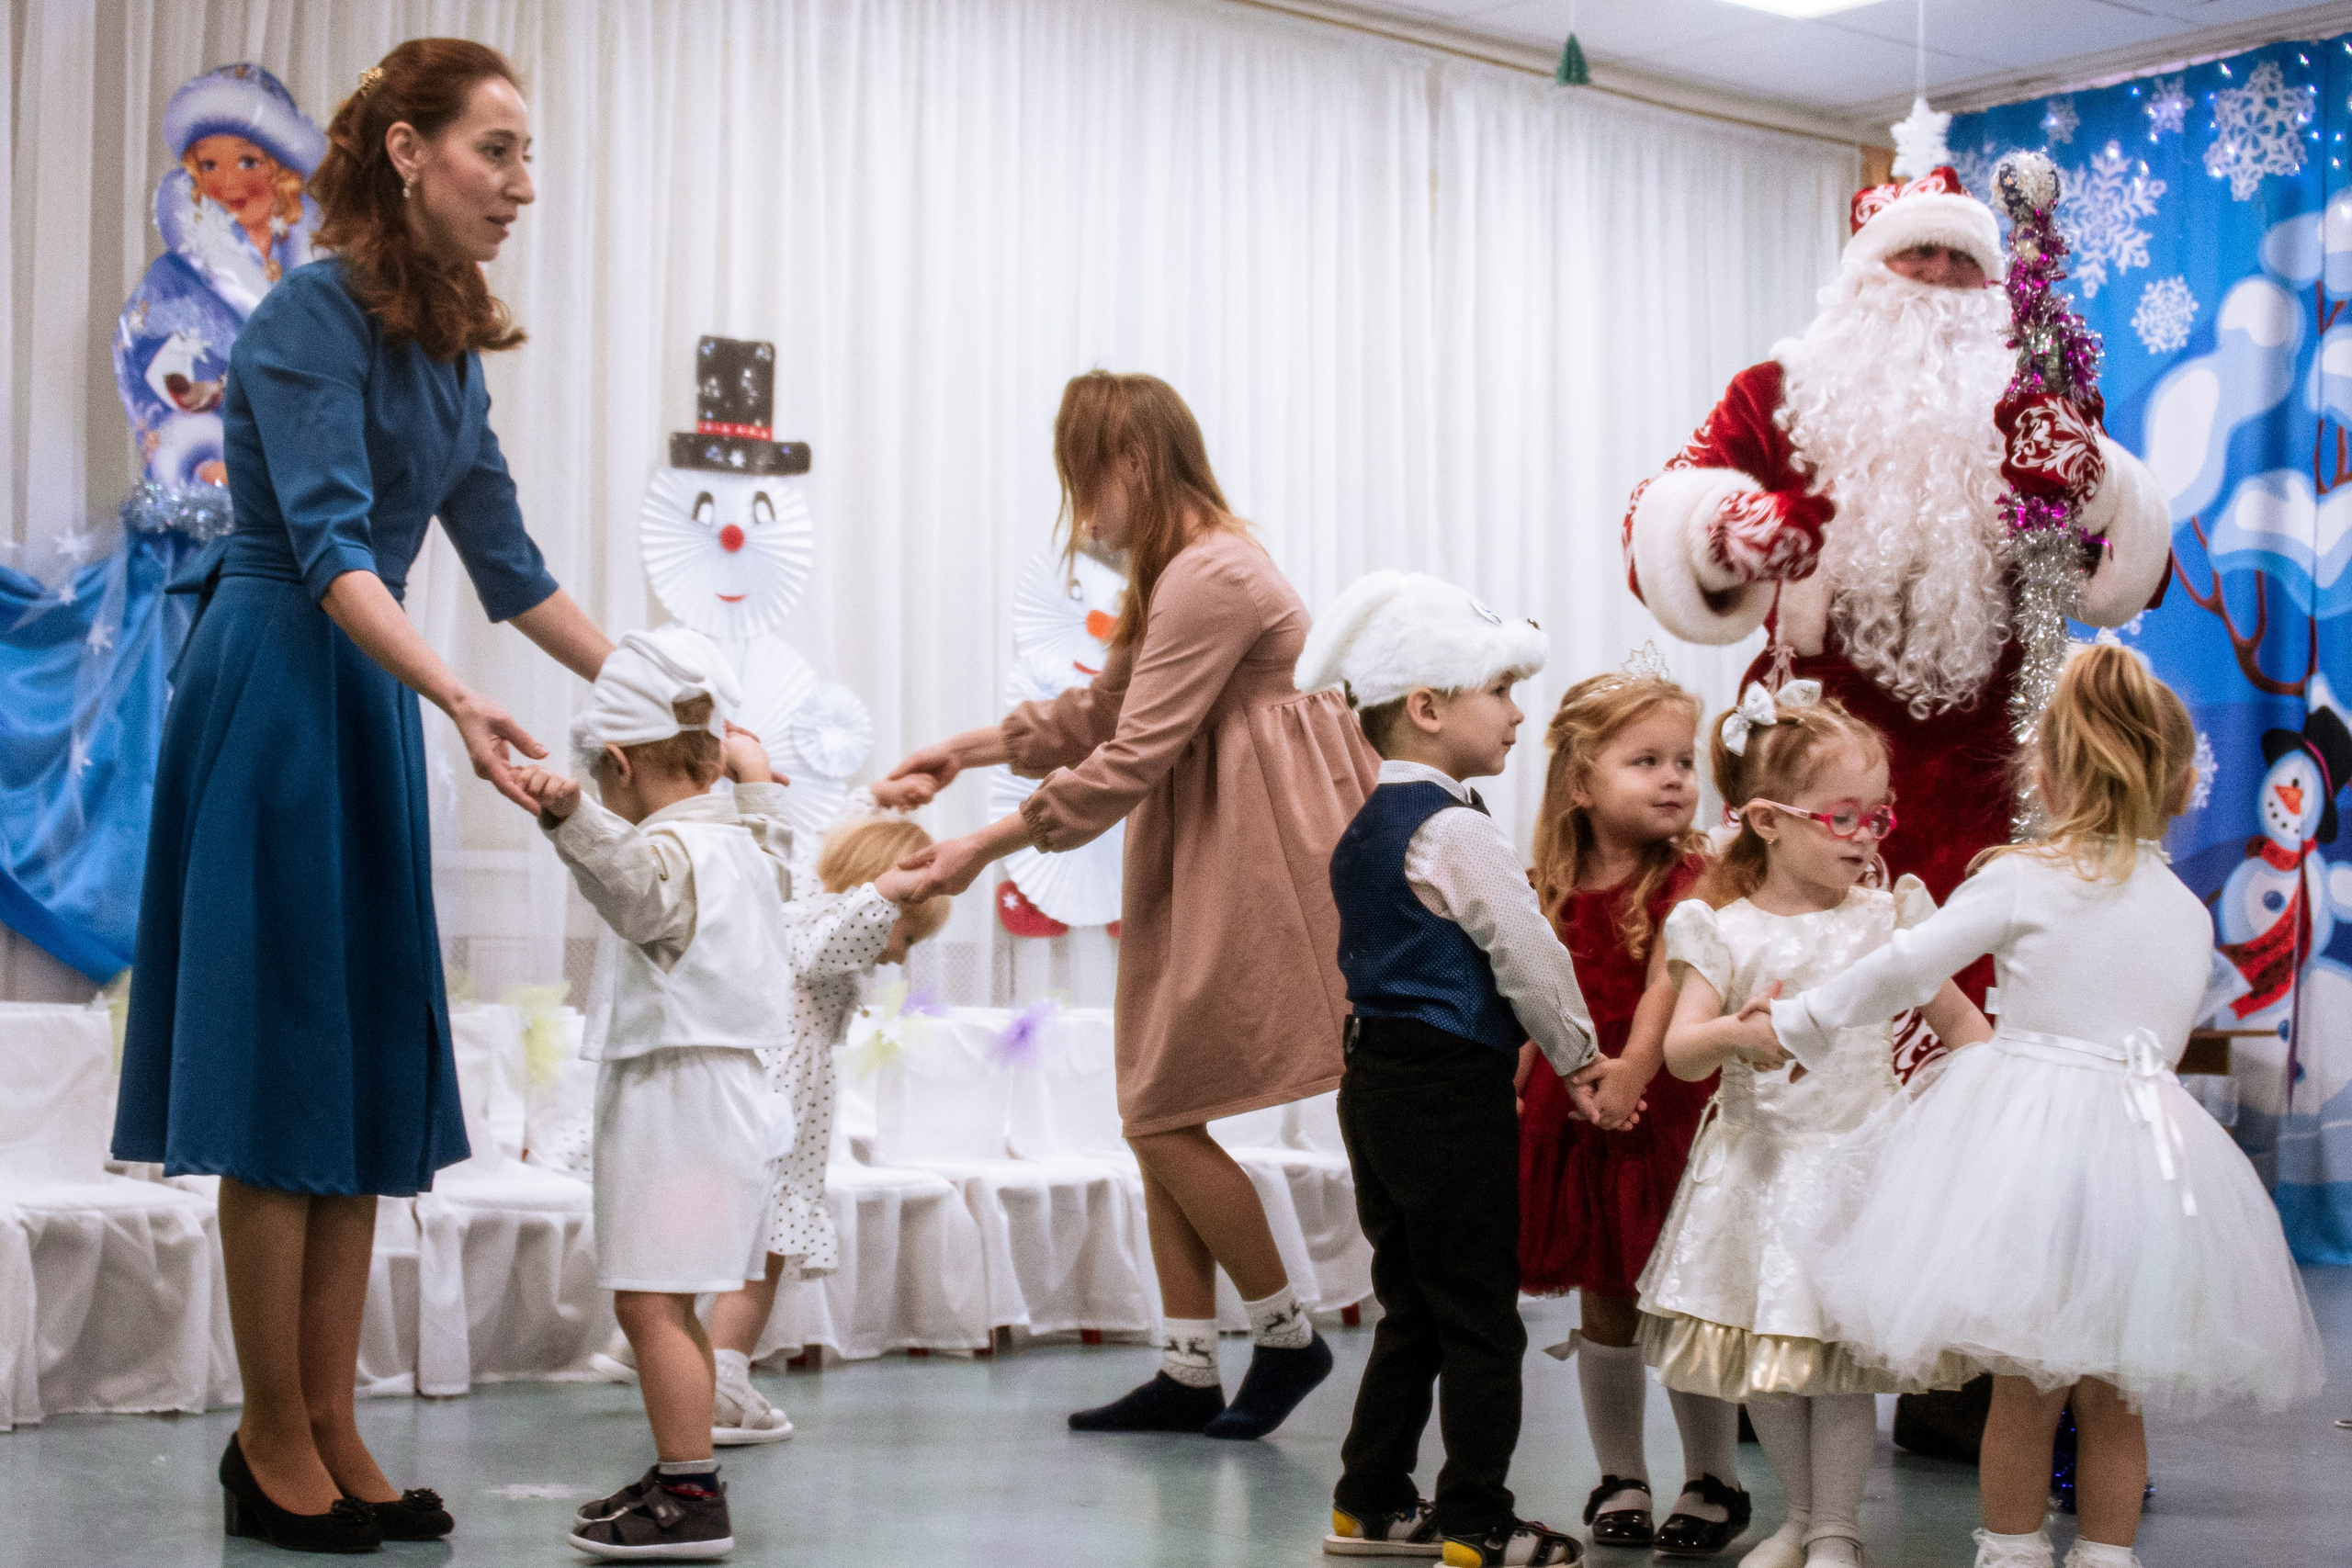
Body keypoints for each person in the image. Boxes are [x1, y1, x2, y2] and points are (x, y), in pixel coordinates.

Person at [110, 40, 612, 1556]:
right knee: (280, 1074)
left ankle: (328, 1419)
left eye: (527, 158)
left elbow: (512, 566)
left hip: (370, 695)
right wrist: (456, 695)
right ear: (407, 150)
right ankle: (269, 1434)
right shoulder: (307, 316)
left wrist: (676, 689)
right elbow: (330, 550)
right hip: (279, 684)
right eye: (497, 151)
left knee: (347, 1068)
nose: (523, 185)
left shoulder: (446, 348)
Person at [1734, 646, 2325, 1568]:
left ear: (2044, 777)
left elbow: (1906, 966)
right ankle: (2106, 1557)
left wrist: (1802, 1018)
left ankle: (2010, 1554)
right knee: (2114, 1396)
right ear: (2181, 787)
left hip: (2025, 1154)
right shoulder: (2185, 909)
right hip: (2143, 1157)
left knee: (2023, 1390)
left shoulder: (2020, 878)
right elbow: (2161, 1044)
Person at [886, 371, 1379, 1439]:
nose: (1081, 515)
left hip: (1255, 855)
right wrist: (962, 751)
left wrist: (977, 848)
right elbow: (1101, 709)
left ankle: (1285, 1336)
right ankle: (1188, 1366)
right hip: (1208, 848)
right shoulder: (1179, 574)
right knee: (1161, 1108)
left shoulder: (1214, 574)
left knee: (1158, 1111)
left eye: (1083, 481)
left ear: (1133, 462)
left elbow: (1130, 756)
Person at [1620, 159, 2169, 1060]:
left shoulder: (2041, 403)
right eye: (1919, 255)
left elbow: (2125, 575)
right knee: (1811, 1017)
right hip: (1815, 768)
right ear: (1867, 272)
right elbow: (1655, 527)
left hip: (1997, 771)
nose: (1941, 279)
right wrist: (1726, 531)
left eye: (1963, 261)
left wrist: (2098, 484)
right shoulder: (1776, 394)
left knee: (1978, 1019)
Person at [514, 627, 918, 1561]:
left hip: (674, 1097)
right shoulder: (746, 845)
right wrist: (756, 778)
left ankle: (691, 1494)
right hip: (732, 1098)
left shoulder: (673, 852)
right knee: (677, 1302)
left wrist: (570, 818)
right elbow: (769, 825)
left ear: (618, 764)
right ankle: (683, 1470)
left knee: (647, 1304)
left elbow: (636, 893)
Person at [1296, 570, 1601, 1568]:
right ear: (1426, 707)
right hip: (1448, 1087)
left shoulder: (1364, 828)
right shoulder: (1455, 828)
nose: (1517, 714)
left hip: (1374, 1084)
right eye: (1500, 690)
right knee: (1478, 1315)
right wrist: (1579, 1055)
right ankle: (1478, 1518)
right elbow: (1529, 953)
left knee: (1414, 1305)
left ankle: (1370, 1498)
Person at [1644, 685, 1987, 1568]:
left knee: (1839, 1365)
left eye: (1877, 816)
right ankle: (1797, 1517)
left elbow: (1962, 1025)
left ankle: (1837, 1525)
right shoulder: (1722, 927)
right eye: (1841, 817)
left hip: (1858, 1172)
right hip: (1756, 1174)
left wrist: (1994, 1109)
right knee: (1767, 1361)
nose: (1865, 836)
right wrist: (1736, 1034)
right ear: (1767, 820)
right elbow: (1682, 1051)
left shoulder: (1888, 921)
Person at [1516, 663, 1749, 1556]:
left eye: (1682, 762)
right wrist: (1521, 1079)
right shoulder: (1550, 880)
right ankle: (1621, 1474)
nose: (1673, 779)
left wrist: (1627, 1076)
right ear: (1581, 783)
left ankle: (1714, 1476)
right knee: (1606, 1298)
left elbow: (1669, 982)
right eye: (1644, 762)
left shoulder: (1694, 875)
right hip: (1579, 1108)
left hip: (1665, 1106)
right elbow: (1534, 989)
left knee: (1685, 1296)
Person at [704, 796, 954, 1443]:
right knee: (766, 1247)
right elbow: (847, 930)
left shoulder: (805, 907)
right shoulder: (833, 929)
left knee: (725, 1236)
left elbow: (843, 868)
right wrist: (888, 892)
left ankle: (658, 1347)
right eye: (907, 937)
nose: (900, 957)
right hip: (779, 1108)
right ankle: (721, 1383)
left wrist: (882, 800)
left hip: (749, 1095)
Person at [114, 62, 326, 491]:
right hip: (215, 481)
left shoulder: (327, 265)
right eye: (209, 165)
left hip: (314, 480)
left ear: (282, 170)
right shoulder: (172, 279)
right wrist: (203, 457)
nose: (228, 182)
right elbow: (138, 364)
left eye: (248, 161)